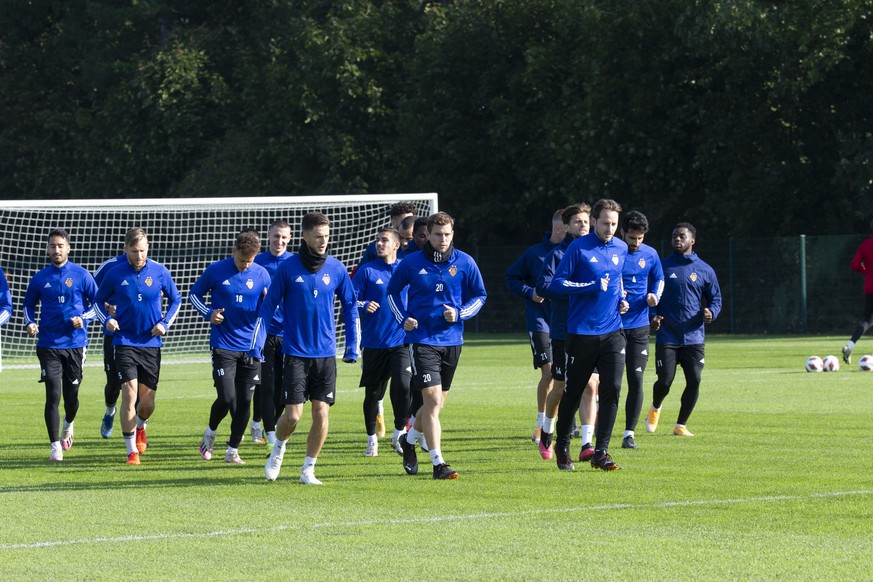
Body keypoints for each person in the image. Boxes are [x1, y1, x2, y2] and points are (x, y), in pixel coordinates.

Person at [252, 212, 359, 485]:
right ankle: (278, 448)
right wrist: (257, 345)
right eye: (318, 236)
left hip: (325, 355)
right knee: (293, 416)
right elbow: (267, 309)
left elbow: (350, 305)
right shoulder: (288, 268)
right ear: (305, 237)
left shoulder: (336, 268)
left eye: (326, 236)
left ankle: (308, 469)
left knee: (321, 412)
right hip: (296, 354)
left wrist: (352, 344)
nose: (323, 241)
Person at [387, 211, 487, 480]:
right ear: (428, 235)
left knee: (436, 405)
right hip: (421, 340)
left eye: (447, 234)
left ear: (452, 234)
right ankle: (438, 462)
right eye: (437, 235)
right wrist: (403, 319)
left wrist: (460, 313)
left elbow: (480, 295)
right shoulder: (410, 263)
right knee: (431, 400)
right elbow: (392, 293)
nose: (442, 239)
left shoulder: (465, 262)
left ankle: (409, 441)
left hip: (452, 340)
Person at [548, 198, 629, 471]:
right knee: (572, 394)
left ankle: (601, 451)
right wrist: (590, 286)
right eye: (605, 223)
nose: (610, 229)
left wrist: (621, 298)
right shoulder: (577, 248)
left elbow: (616, 279)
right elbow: (558, 284)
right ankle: (562, 444)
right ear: (594, 221)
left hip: (613, 331)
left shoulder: (620, 247)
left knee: (613, 389)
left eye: (614, 224)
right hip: (581, 333)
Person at [94, 228, 182, 465]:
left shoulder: (160, 272)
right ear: (126, 250)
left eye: (142, 250)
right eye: (134, 251)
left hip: (151, 343)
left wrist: (165, 323)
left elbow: (176, 299)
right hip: (124, 342)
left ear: (147, 248)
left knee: (147, 402)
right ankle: (131, 451)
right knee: (129, 394)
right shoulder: (114, 273)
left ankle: (141, 427)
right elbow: (97, 300)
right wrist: (108, 319)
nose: (139, 255)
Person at [190, 230, 271, 464]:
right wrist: (209, 313)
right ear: (233, 251)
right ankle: (210, 435)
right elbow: (194, 294)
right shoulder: (216, 270)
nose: (245, 265)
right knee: (227, 397)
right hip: (223, 344)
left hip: (251, 348)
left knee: (245, 401)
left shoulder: (262, 275)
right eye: (241, 260)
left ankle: (232, 451)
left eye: (250, 260)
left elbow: (271, 306)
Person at [22, 229, 98, 461]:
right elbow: (27, 306)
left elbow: (98, 306)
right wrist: (31, 323)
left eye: (60, 246)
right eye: (53, 246)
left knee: (71, 396)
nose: (57, 250)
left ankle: (69, 422)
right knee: (53, 394)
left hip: (76, 345)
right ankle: (55, 446)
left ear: (68, 248)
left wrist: (82, 319)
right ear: (48, 249)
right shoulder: (39, 278)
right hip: (48, 345)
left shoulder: (82, 275)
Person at [536, 204, 600, 462]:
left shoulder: (599, 252)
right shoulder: (557, 255)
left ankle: (587, 443)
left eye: (586, 221)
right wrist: (577, 288)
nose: (583, 226)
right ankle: (547, 431)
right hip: (564, 330)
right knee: (561, 387)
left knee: (591, 385)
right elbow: (543, 287)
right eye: (577, 222)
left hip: (593, 330)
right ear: (566, 226)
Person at [646, 222, 721, 437]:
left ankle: (681, 425)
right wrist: (654, 317)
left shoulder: (705, 269)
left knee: (695, 379)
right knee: (665, 381)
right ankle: (656, 406)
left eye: (682, 236)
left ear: (692, 240)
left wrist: (711, 312)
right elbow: (652, 296)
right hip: (667, 335)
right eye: (674, 236)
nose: (677, 239)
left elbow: (716, 298)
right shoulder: (662, 267)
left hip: (694, 336)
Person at [505, 210, 565, 444]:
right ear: (561, 228)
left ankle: (566, 421)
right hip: (540, 321)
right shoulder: (534, 254)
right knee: (549, 373)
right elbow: (511, 278)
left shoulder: (576, 252)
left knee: (569, 375)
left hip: (566, 322)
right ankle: (541, 424)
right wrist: (530, 292)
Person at [353, 227, 412, 457]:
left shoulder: (406, 269)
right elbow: (350, 301)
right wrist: (363, 305)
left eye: (384, 240)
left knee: (403, 386)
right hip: (374, 343)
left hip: (401, 342)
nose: (379, 243)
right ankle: (371, 440)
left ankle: (399, 434)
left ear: (397, 245)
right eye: (377, 240)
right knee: (373, 395)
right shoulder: (366, 270)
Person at [619, 211, 663, 449]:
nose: (635, 243)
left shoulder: (651, 254)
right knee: (609, 383)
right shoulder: (613, 251)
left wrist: (655, 295)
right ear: (622, 232)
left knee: (636, 379)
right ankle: (592, 426)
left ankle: (629, 434)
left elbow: (659, 279)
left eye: (640, 238)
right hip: (612, 328)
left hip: (639, 327)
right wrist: (617, 299)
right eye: (632, 238)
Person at [252, 219, 293, 446]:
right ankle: (267, 432)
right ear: (269, 236)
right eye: (276, 236)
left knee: (283, 390)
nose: (279, 241)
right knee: (266, 385)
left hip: (289, 335)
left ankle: (270, 423)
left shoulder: (294, 264)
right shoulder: (257, 263)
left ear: (290, 238)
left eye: (284, 237)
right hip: (265, 333)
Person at [93, 252, 126, 438]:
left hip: (140, 336)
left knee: (138, 386)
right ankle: (110, 411)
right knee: (114, 384)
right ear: (126, 247)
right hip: (113, 334)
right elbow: (91, 293)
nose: (138, 253)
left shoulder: (152, 267)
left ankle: (138, 430)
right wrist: (106, 307)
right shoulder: (109, 266)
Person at [842, 219, 873, 364]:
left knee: (867, 320)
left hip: (869, 287)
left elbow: (854, 265)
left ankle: (850, 345)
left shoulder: (864, 245)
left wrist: (865, 271)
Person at [357, 202, 417, 268]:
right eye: (405, 221)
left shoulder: (420, 246)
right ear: (393, 223)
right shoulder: (376, 247)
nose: (408, 224)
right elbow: (362, 273)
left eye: (412, 221)